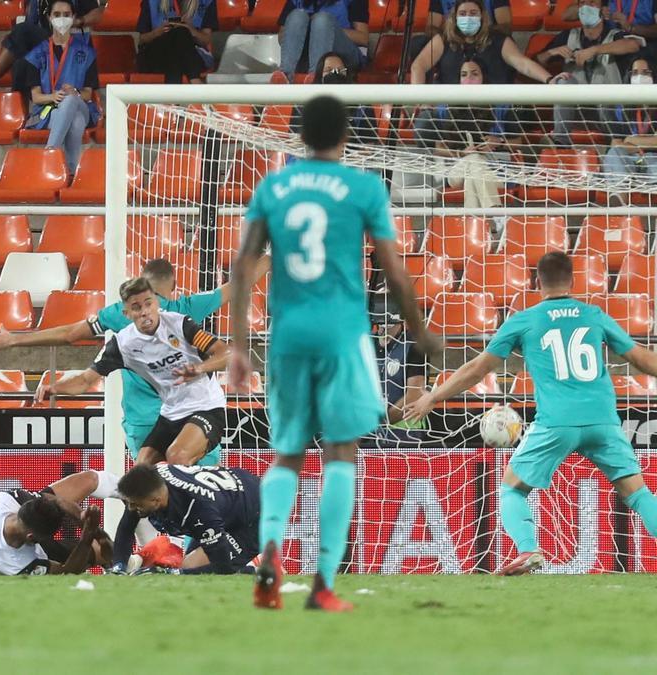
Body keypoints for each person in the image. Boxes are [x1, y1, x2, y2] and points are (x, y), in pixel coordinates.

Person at [228, 95, 442, 612]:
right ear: (347, 136)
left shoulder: (274, 187)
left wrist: (237, 345)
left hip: (287, 335)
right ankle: (322, 582)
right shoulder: (364, 186)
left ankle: (270, 560)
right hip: (344, 334)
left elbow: (240, 268)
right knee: (340, 453)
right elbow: (393, 272)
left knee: (287, 454)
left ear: (299, 136)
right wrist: (419, 330)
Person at [405, 252, 657, 575]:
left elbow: (476, 369)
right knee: (637, 492)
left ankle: (528, 550)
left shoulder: (524, 320)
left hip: (556, 422)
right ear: (574, 281)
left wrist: (432, 396)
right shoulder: (594, 315)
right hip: (603, 420)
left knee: (511, 487)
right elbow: (640, 358)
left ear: (537, 282)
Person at [0, 257, 266, 464]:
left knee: (145, 486)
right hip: (182, 414)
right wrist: (272, 256)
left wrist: (17, 339)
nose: (144, 311)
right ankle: (184, 544)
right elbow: (239, 284)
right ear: (173, 285)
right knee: (198, 487)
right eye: (137, 307)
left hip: (144, 418)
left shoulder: (119, 312)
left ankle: (156, 544)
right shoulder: (186, 307)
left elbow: (70, 335)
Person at [36, 276, 231, 468]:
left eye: (148, 304)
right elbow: (85, 380)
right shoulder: (123, 345)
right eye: (137, 308)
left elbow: (225, 353)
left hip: (207, 407)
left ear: (156, 303)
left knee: (177, 457)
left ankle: (206, 498)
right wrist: (54, 388)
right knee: (140, 472)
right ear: (127, 313)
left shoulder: (180, 325)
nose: (145, 312)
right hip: (171, 412)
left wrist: (199, 369)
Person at [116, 463, 265, 574]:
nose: (130, 509)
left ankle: (254, 569)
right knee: (190, 569)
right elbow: (126, 526)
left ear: (156, 501)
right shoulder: (148, 484)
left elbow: (222, 566)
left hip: (256, 513)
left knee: (194, 569)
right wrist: (119, 567)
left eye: (134, 505)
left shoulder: (198, 509)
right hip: (228, 503)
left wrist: (170, 573)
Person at [537, 0, 642, 146]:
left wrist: (595, 50)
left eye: (592, 3)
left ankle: (616, 143)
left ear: (603, 10)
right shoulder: (568, 35)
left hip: (607, 110)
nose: (586, 7)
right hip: (575, 109)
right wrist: (550, 52)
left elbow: (633, 45)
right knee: (564, 82)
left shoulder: (615, 34)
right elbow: (537, 60)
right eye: (582, 3)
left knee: (606, 91)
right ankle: (560, 142)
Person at [0, 470, 116, 575]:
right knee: (102, 552)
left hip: (26, 535)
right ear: (33, 538)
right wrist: (87, 536)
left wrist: (82, 517)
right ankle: (120, 562)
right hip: (29, 552)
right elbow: (66, 572)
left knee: (90, 479)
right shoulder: (16, 564)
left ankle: (134, 495)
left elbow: (57, 500)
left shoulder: (4, 501)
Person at [0, 0, 102, 98]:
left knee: (23, 31)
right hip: (44, 43)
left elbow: (98, 14)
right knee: (20, 62)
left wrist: (78, 21)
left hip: (69, 43)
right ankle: (20, 110)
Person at [22, 0, 101, 174]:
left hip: (82, 104)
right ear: (49, 18)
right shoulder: (36, 53)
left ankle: (50, 155)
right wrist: (52, 97)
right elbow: (35, 97)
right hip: (48, 110)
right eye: (57, 15)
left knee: (72, 99)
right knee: (76, 121)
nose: (62, 19)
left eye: (66, 15)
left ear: (73, 17)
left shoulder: (87, 53)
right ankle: (71, 172)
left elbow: (88, 93)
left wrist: (75, 93)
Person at [410, 1, 561, 85]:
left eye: (473, 13)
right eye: (462, 14)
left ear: (482, 17)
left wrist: (549, 79)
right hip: (451, 108)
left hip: (491, 107)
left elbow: (522, 63)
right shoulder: (443, 39)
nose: (468, 18)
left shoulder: (498, 39)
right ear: (455, 18)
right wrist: (420, 100)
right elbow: (418, 66)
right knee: (424, 123)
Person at [436, 59, 509, 208]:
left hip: (494, 171)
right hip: (457, 171)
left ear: (484, 78)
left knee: (473, 173)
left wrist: (499, 141)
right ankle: (496, 215)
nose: (468, 79)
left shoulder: (500, 105)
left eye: (474, 74)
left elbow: (520, 142)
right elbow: (438, 148)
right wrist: (460, 153)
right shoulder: (446, 108)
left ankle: (474, 224)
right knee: (474, 159)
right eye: (464, 75)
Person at [370, 294, 429, 426]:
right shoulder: (366, 341)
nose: (382, 307)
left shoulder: (414, 343)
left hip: (405, 431)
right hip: (368, 431)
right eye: (379, 302)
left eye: (387, 302)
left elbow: (414, 395)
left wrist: (381, 423)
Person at [601, 56, 657, 195]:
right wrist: (647, 143)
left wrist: (632, 140)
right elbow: (617, 144)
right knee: (614, 154)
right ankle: (620, 200)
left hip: (654, 158)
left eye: (646, 72)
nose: (640, 77)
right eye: (635, 73)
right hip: (628, 158)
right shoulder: (615, 107)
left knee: (651, 160)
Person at [278, 0, 370, 76]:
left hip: (346, 56)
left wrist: (328, 28)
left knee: (322, 20)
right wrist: (305, 29)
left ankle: (316, 76)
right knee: (297, 16)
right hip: (306, 56)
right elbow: (281, 38)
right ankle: (285, 75)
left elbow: (363, 38)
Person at [137, 0, 219, 84]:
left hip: (193, 54)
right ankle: (194, 78)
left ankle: (172, 92)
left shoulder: (207, 2)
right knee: (177, 35)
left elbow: (205, 40)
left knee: (180, 33)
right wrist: (158, 32)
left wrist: (191, 30)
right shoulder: (151, 1)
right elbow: (142, 39)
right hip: (157, 56)